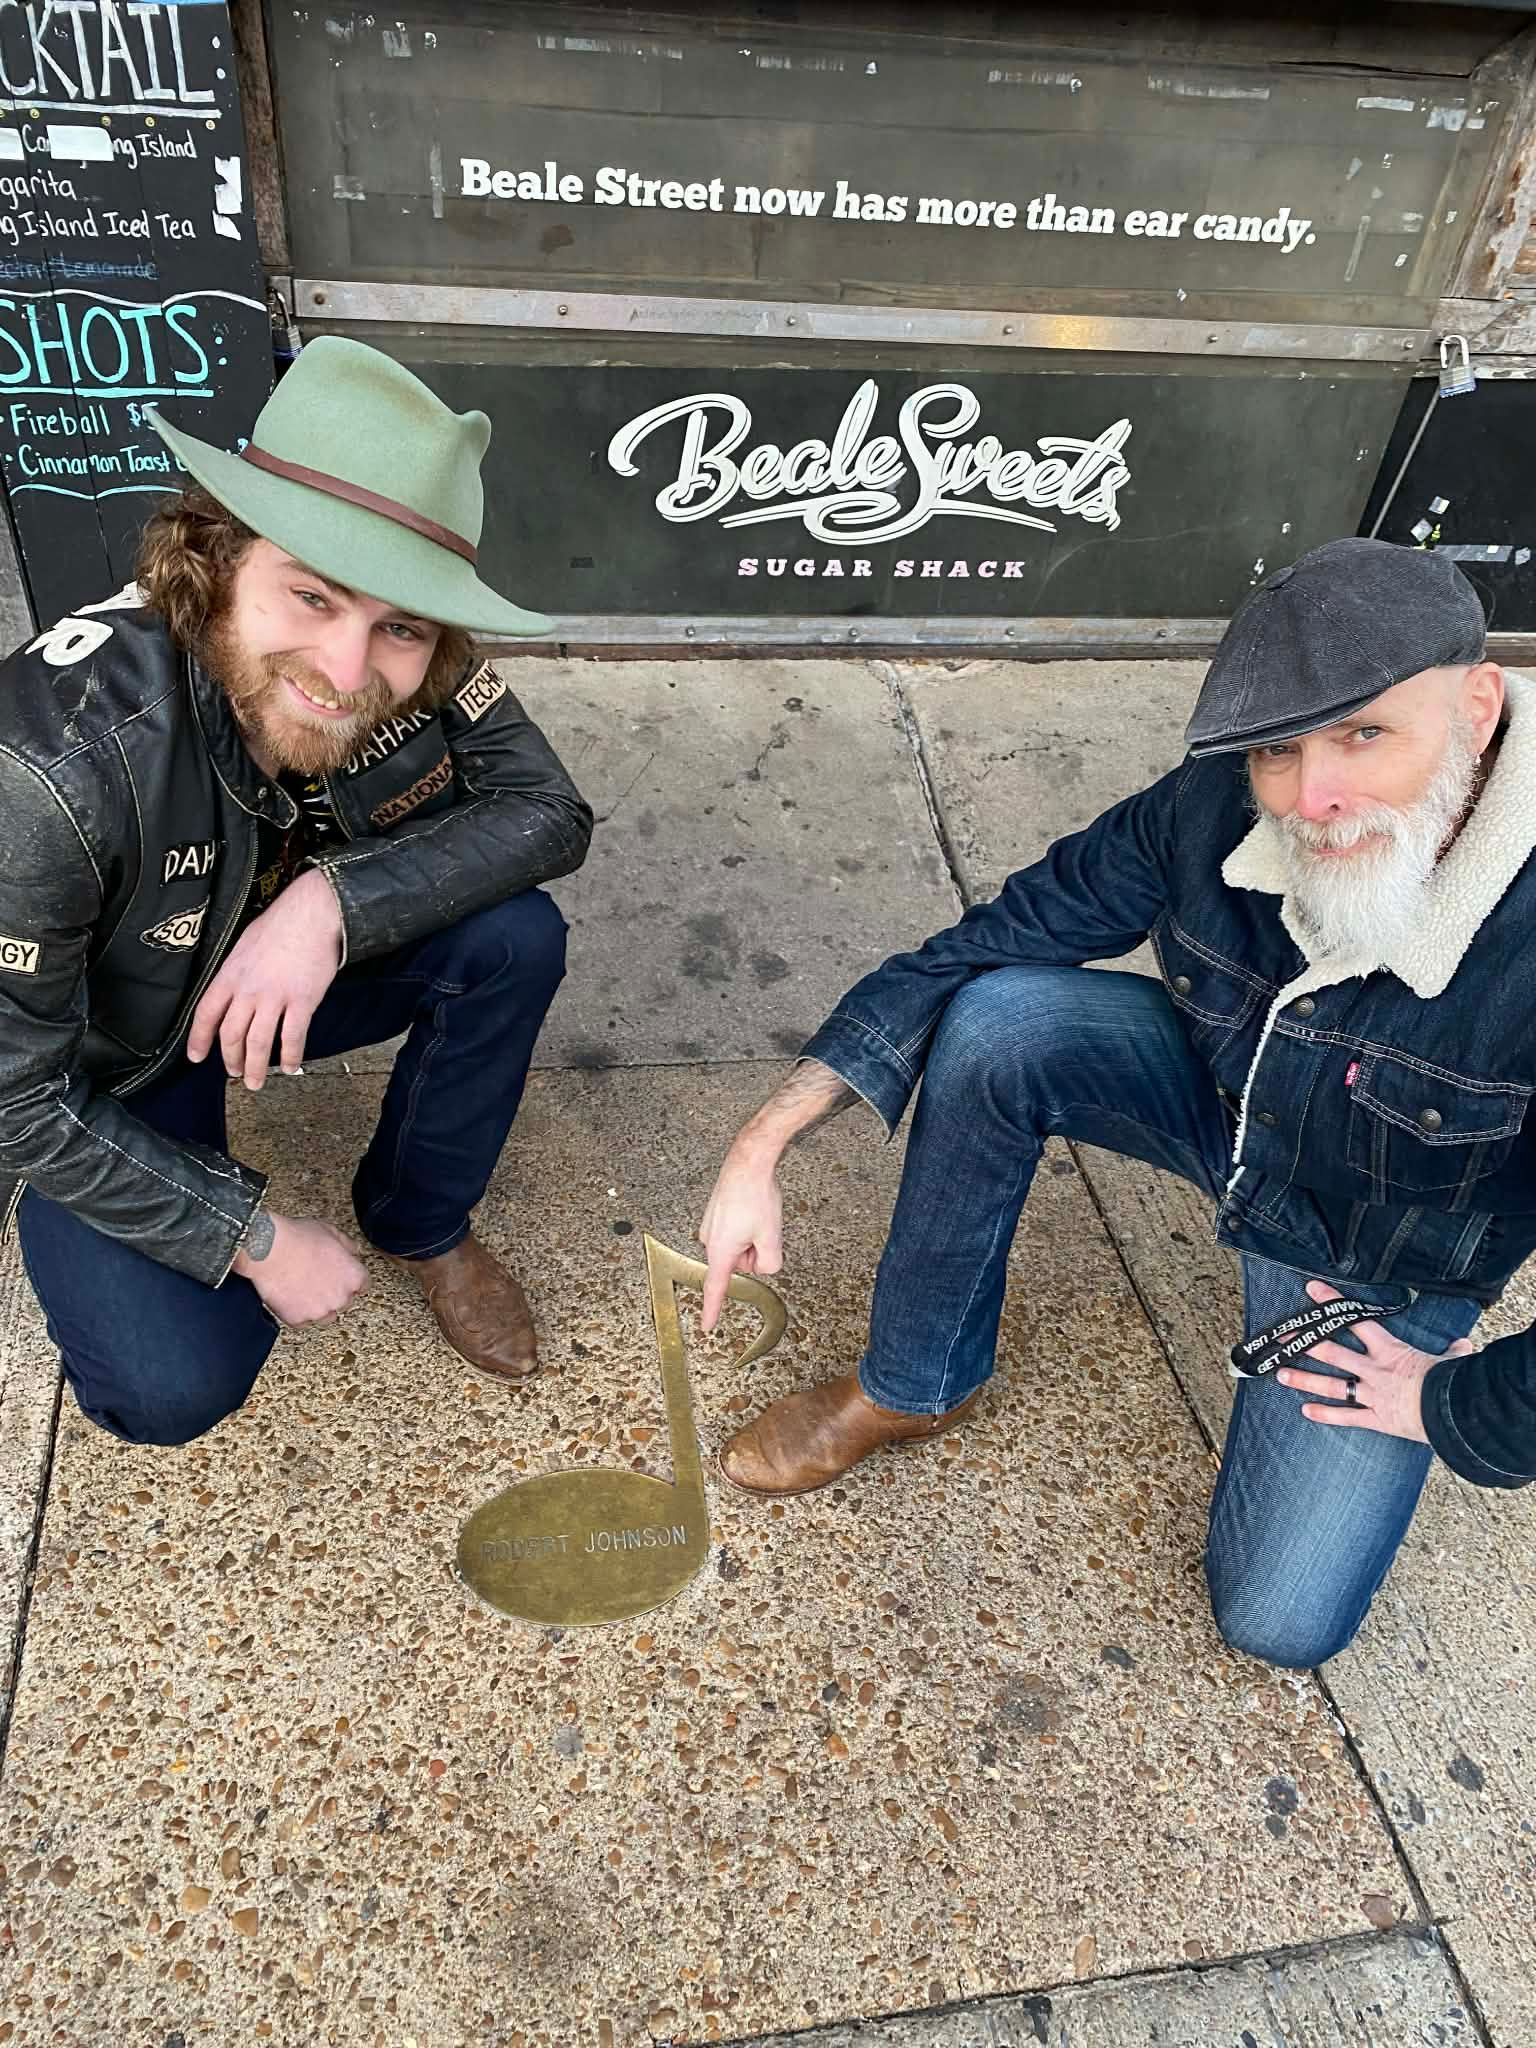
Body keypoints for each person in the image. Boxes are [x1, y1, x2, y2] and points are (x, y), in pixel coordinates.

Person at [699, 537, 1536, 1670]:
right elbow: (988, 939)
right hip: (1235, 1104)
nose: (1315, 795)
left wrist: (1457, 1402)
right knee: (1000, 1020)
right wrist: (766, 1139)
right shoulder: (1213, 804)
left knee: (1277, 1619)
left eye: (1365, 734)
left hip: (1374, 1238)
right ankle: (915, 1381)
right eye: (1279, 748)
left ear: (1478, 706)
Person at [0, 336, 592, 1446]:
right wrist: (251, 1233)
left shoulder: (407, 656)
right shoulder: (47, 777)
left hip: (263, 966)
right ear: (218, 556)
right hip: (108, 1058)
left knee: (514, 936)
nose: (346, 665)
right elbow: (8, 1096)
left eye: (398, 624)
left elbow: (550, 811)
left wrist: (330, 902)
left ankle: (421, 1222)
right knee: (170, 1387)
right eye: (311, 594)